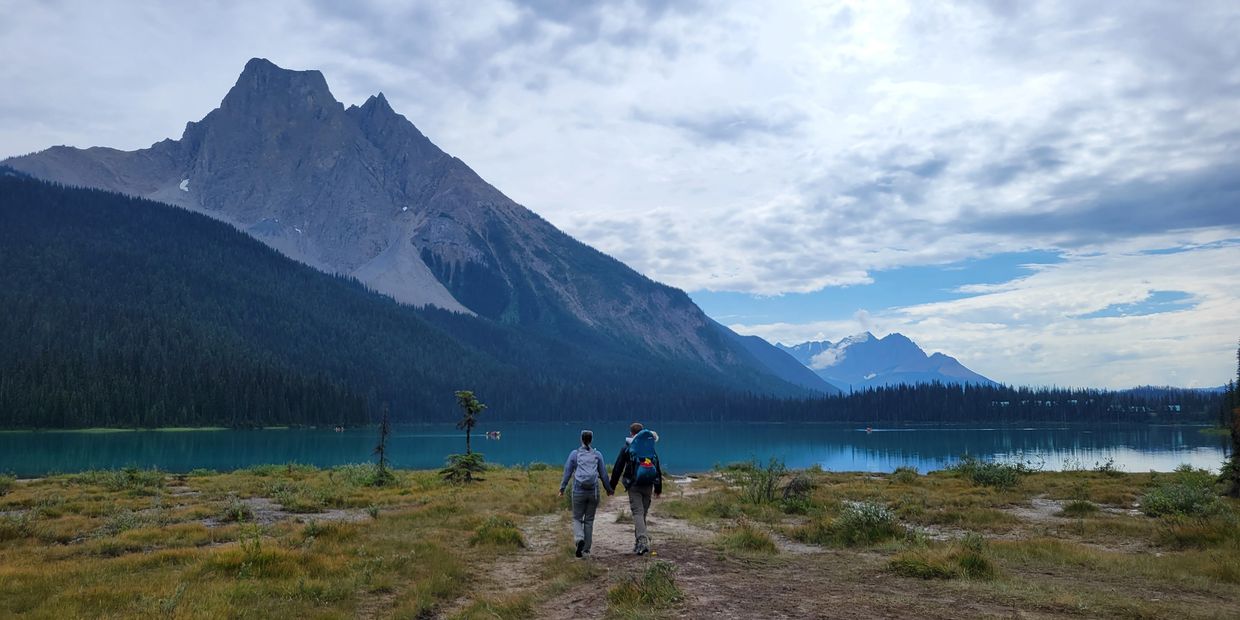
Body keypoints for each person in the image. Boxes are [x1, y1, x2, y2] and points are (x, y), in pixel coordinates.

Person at [609, 422, 662, 555]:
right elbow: (657, 466)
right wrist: (658, 488)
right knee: (642, 513)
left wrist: (611, 486)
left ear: (631, 433)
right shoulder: (649, 447)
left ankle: (642, 542)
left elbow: (618, 467)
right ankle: (638, 543)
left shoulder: (628, 447)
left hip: (634, 485)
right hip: (649, 484)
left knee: (638, 513)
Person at [559, 429, 613, 558]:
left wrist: (562, 488)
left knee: (577, 518)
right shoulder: (597, 455)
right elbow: (604, 474)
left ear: (581, 439)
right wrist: (608, 489)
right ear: (591, 440)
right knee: (589, 520)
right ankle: (586, 550)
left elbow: (567, 471)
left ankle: (579, 539)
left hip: (578, 491)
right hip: (593, 492)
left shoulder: (574, 454)